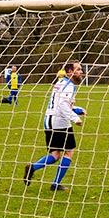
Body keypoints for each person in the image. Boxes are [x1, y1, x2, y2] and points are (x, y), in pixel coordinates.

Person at [25, 60, 84, 191]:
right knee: (69, 152)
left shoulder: (60, 83)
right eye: (78, 69)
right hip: (60, 122)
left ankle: (33, 167)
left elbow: (62, 103)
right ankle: (55, 184)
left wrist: (78, 110)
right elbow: (62, 105)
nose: (81, 72)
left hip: (49, 121)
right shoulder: (69, 86)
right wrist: (75, 118)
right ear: (70, 71)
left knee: (55, 154)